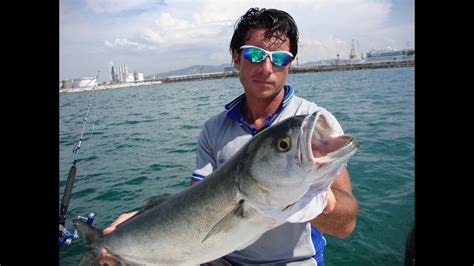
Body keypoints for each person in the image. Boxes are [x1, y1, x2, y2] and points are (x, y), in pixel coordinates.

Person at [101, 7, 358, 266]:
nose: (267, 68)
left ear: (290, 64)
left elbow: (346, 225)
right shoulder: (214, 129)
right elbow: (197, 204)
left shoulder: (311, 123)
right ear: (236, 58)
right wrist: (145, 220)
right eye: (255, 54)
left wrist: (320, 202)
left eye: (279, 58)